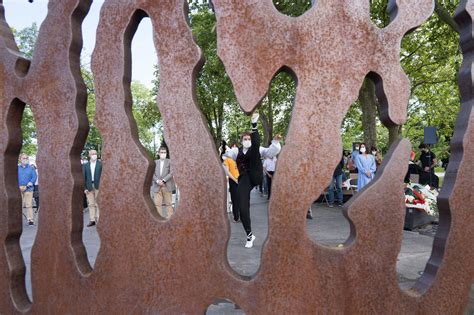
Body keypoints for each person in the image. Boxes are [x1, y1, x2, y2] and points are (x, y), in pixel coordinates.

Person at [236, 113, 262, 248]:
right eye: (245, 139)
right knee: (242, 207)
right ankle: (249, 235)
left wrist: (254, 126)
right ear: (241, 141)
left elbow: (257, 141)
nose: (247, 140)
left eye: (248, 138)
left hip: (256, 176)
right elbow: (225, 154)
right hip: (245, 178)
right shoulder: (237, 151)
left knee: (256, 147)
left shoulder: (255, 147)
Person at [152, 147, 176, 218]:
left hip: (167, 186)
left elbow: (172, 172)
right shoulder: (155, 162)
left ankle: (170, 219)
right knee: (157, 205)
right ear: (159, 153)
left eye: (164, 153)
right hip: (157, 186)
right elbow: (152, 173)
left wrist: (163, 180)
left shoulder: (170, 161)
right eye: (162, 152)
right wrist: (157, 181)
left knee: (168, 204)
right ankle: (159, 219)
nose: (163, 154)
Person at [83, 149, 102, 227]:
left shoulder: (101, 164)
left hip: (98, 185)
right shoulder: (86, 165)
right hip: (89, 186)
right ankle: (92, 220)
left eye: (95, 153)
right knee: (91, 204)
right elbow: (84, 177)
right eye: (93, 154)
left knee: (98, 204)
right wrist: (85, 188)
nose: (94, 155)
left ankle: (99, 219)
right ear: (89, 155)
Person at [18, 153, 37, 225]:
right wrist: (18, 186)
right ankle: (18, 220)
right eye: (24, 158)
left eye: (26, 158)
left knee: (29, 205)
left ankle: (30, 220)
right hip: (19, 188)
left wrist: (28, 185)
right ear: (20, 159)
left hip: (28, 188)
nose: (25, 159)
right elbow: (13, 177)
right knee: (19, 205)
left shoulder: (31, 168)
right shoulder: (16, 168)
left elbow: (34, 177)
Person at [223, 149, 240, 222]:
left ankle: (243, 216)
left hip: (241, 180)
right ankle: (236, 217)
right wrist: (235, 180)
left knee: (242, 199)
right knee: (235, 199)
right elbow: (227, 172)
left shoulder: (238, 159)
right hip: (233, 181)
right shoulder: (227, 160)